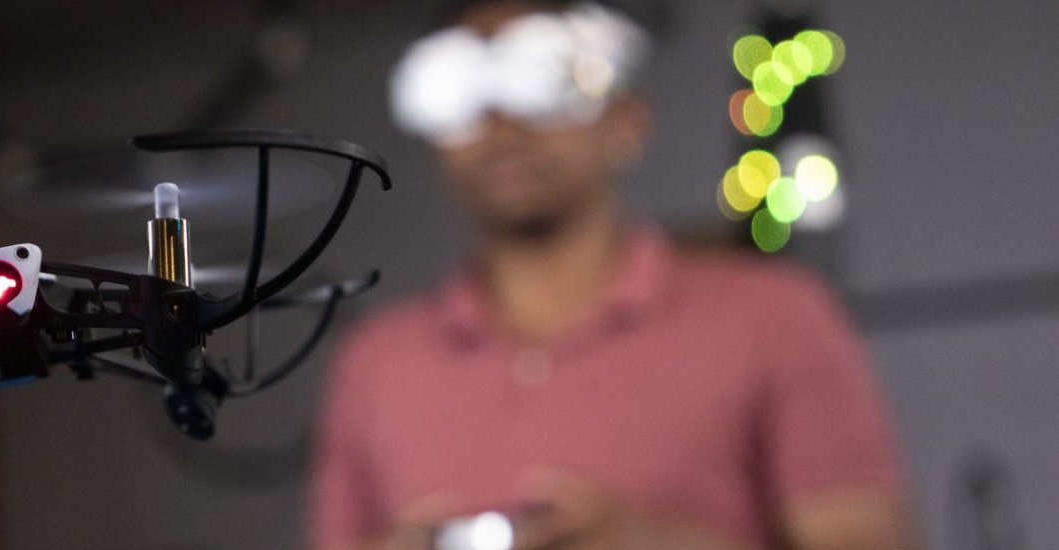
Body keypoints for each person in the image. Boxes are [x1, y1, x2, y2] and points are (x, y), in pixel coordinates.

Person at [308, 1, 916, 549]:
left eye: (543, 81)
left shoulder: (775, 317)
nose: (502, 124)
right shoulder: (376, 361)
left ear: (626, 120)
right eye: (462, 94)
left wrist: (655, 543)